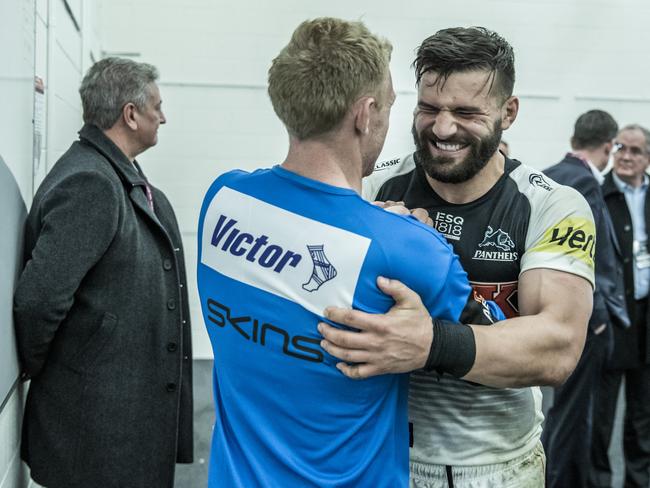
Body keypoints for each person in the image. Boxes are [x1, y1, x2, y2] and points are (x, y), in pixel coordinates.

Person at [196, 18, 503, 488]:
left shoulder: (222, 200)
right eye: (391, 107)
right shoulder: (410, 249)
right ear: (364, 114)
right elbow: (494, 348)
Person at [318, 27, 595, 487]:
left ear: (509, 112)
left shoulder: (551, 204)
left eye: (466, 112)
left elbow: (557, 347)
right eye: (429, 109)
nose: (443, 128)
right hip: (376, 453)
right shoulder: (370, 189)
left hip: (497, 467)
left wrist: (430, 341)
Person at [13, 58, 193, 488]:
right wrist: (62, 369)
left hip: (114, 425)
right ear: (130, 115)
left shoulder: (112, 172)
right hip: (94, 434)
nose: (162, 117)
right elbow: (39, 301)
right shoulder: (91, 184)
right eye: (156, 107)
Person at [541, 110, 629, 487]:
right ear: (608, 146)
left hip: (547, 307)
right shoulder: (585, 184)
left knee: (557, 411)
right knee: (576, 416)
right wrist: (599, 319)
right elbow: (597, 260)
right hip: (584, 319)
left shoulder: (547, 176)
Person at [592, 124, 650, 488]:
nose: (626, 157)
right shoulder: (599, 194)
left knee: (643, 416)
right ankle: (598, 480)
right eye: (620, 149)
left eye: (635, 151)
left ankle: (638, 481)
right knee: (601, 416)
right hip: (612, 320)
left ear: (647, 157)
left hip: (646, 318)